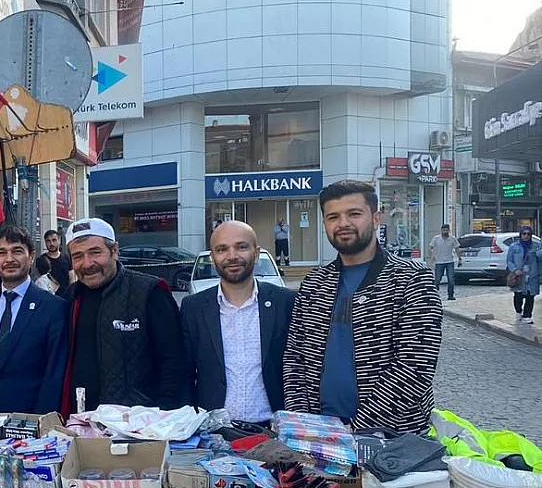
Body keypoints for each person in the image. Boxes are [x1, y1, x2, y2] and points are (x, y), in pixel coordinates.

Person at [284, 180, 442, 434]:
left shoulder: (411, 279)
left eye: (354, 214)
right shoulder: (314, 282)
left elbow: (415, 366)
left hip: (391, 439)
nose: (343, 223)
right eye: (333, 216)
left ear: (376, 217)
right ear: (325, 223)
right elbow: (294, 359)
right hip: (318, 435)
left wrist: (356, 431)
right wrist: (304, 424)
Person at [59, 218, 188, 415]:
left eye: (95, 252)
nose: (87, 264)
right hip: (82, 421)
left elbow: (174, 363)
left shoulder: (150, 292)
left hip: (138, 426)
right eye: (78, 256)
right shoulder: (69, 297)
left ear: (114, 250)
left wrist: (163, 415)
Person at [181, 221, 295, 425]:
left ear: (256, 252)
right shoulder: (194, 308)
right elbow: (184, 374)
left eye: (241, 247)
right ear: (213, 256)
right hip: (213, 431)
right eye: (222, 249)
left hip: (275, 430)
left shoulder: (285, 302)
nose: (232, 256)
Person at [0, 225, 68, 414]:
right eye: (1, 253)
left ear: (31, 256)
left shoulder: (54, 308)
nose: (9, 259)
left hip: (32, 423)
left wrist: (41, 424)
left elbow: (54, 375)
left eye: (17, 251)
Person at [506, 226, 542, 325]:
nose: (526, 236)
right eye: (524, 234)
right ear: (520, 234)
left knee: (530, 296)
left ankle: (527, 316)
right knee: (518, 295)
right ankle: (518, 312)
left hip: (532, 274)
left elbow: (540, 259)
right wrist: (515, 270)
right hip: (519, 275)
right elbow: (509, 261)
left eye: (528, 234)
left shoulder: (536, 246)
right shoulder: (514, 246)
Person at [428, 224, 461, 301]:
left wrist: (460, 258)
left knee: (451, 279)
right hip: (439, 262)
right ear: (441, 230)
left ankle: (450, 295)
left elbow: (457, 249)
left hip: (449, 261)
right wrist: (432, 257)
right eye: (443, 230)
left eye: (446, 230)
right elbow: (430, 248)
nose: (445, 232)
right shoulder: (436, 238)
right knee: (437, 279)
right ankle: (434, 295)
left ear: (449, 230)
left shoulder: (452, 239)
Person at [34, 229, 71, 295]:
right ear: (45, 242)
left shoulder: (66, 258)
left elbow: (72, 278)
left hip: (67, 298)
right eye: (48, 241)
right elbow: (40, 282)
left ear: (59, 241)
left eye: (54, 240)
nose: (51, 244)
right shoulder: (41, 260)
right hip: (49, 298)